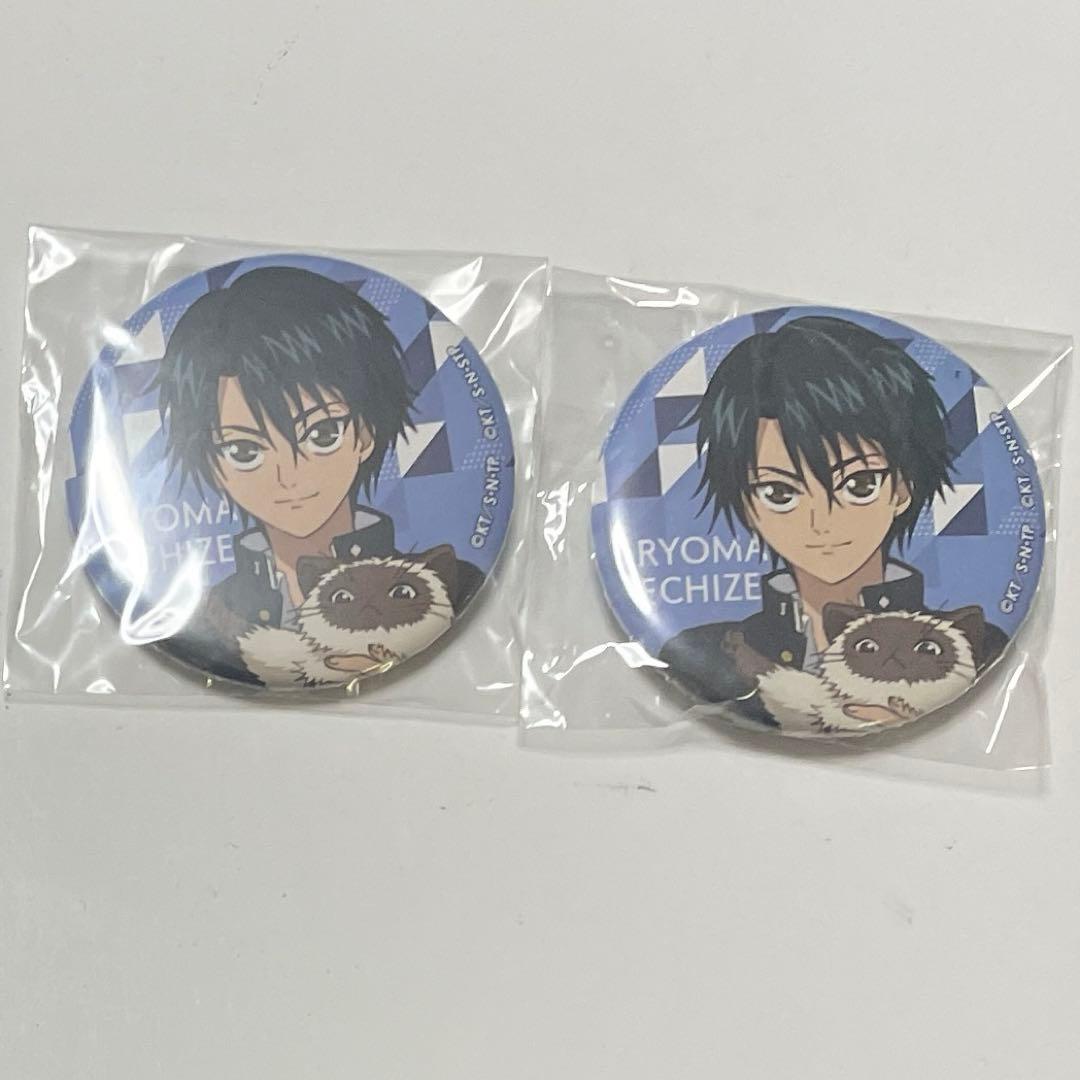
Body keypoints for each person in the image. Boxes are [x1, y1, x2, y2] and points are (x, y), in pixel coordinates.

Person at [659, 315, 1005, 712]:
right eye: (780, 493)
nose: (821, 522)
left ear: (901, 489)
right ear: (747, 505)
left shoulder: (970, 646)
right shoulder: (706, 653)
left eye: (859, 485)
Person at [154, 265, 481, 682]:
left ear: (365, 434)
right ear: (214, 464)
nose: (288, 476)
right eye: (245, 450)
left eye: (322, 434)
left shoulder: (443, 585)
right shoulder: (201, 613)